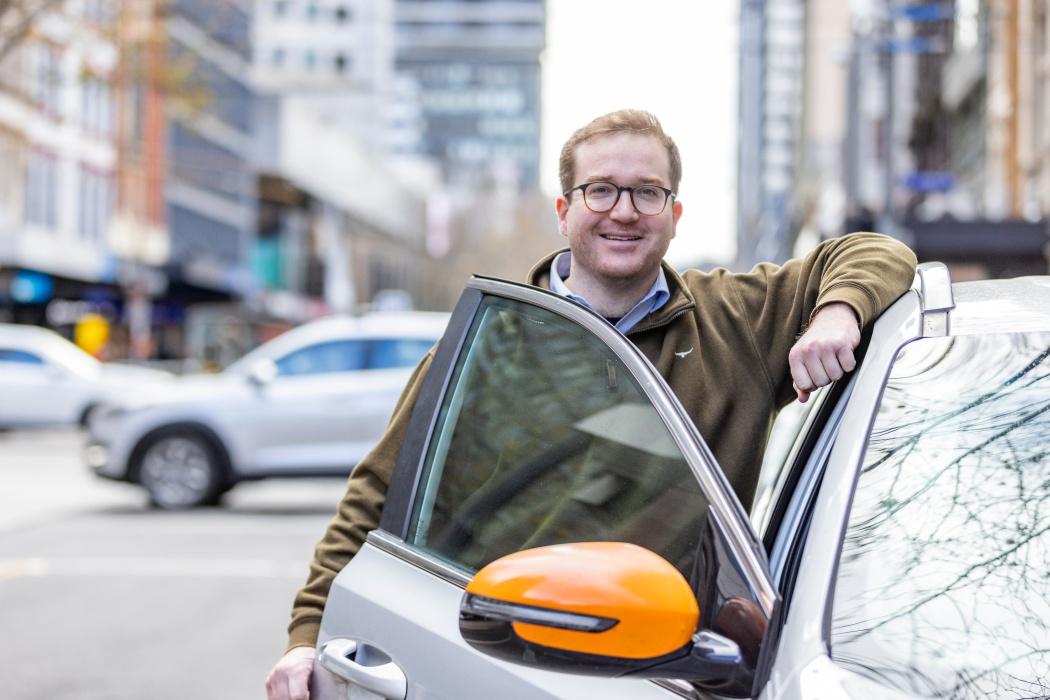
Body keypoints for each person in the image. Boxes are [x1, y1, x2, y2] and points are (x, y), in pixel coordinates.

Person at [265, 109, 917, 700]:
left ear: (675, 213)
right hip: (497, 667)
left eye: (647, 192)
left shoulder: (736, 321)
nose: (624, 211)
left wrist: (837, 312)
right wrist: (306, 640)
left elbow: (878, 252)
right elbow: (374, 504)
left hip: (671, 679)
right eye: (601, 189)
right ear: (564, 209)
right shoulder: (485, 349)